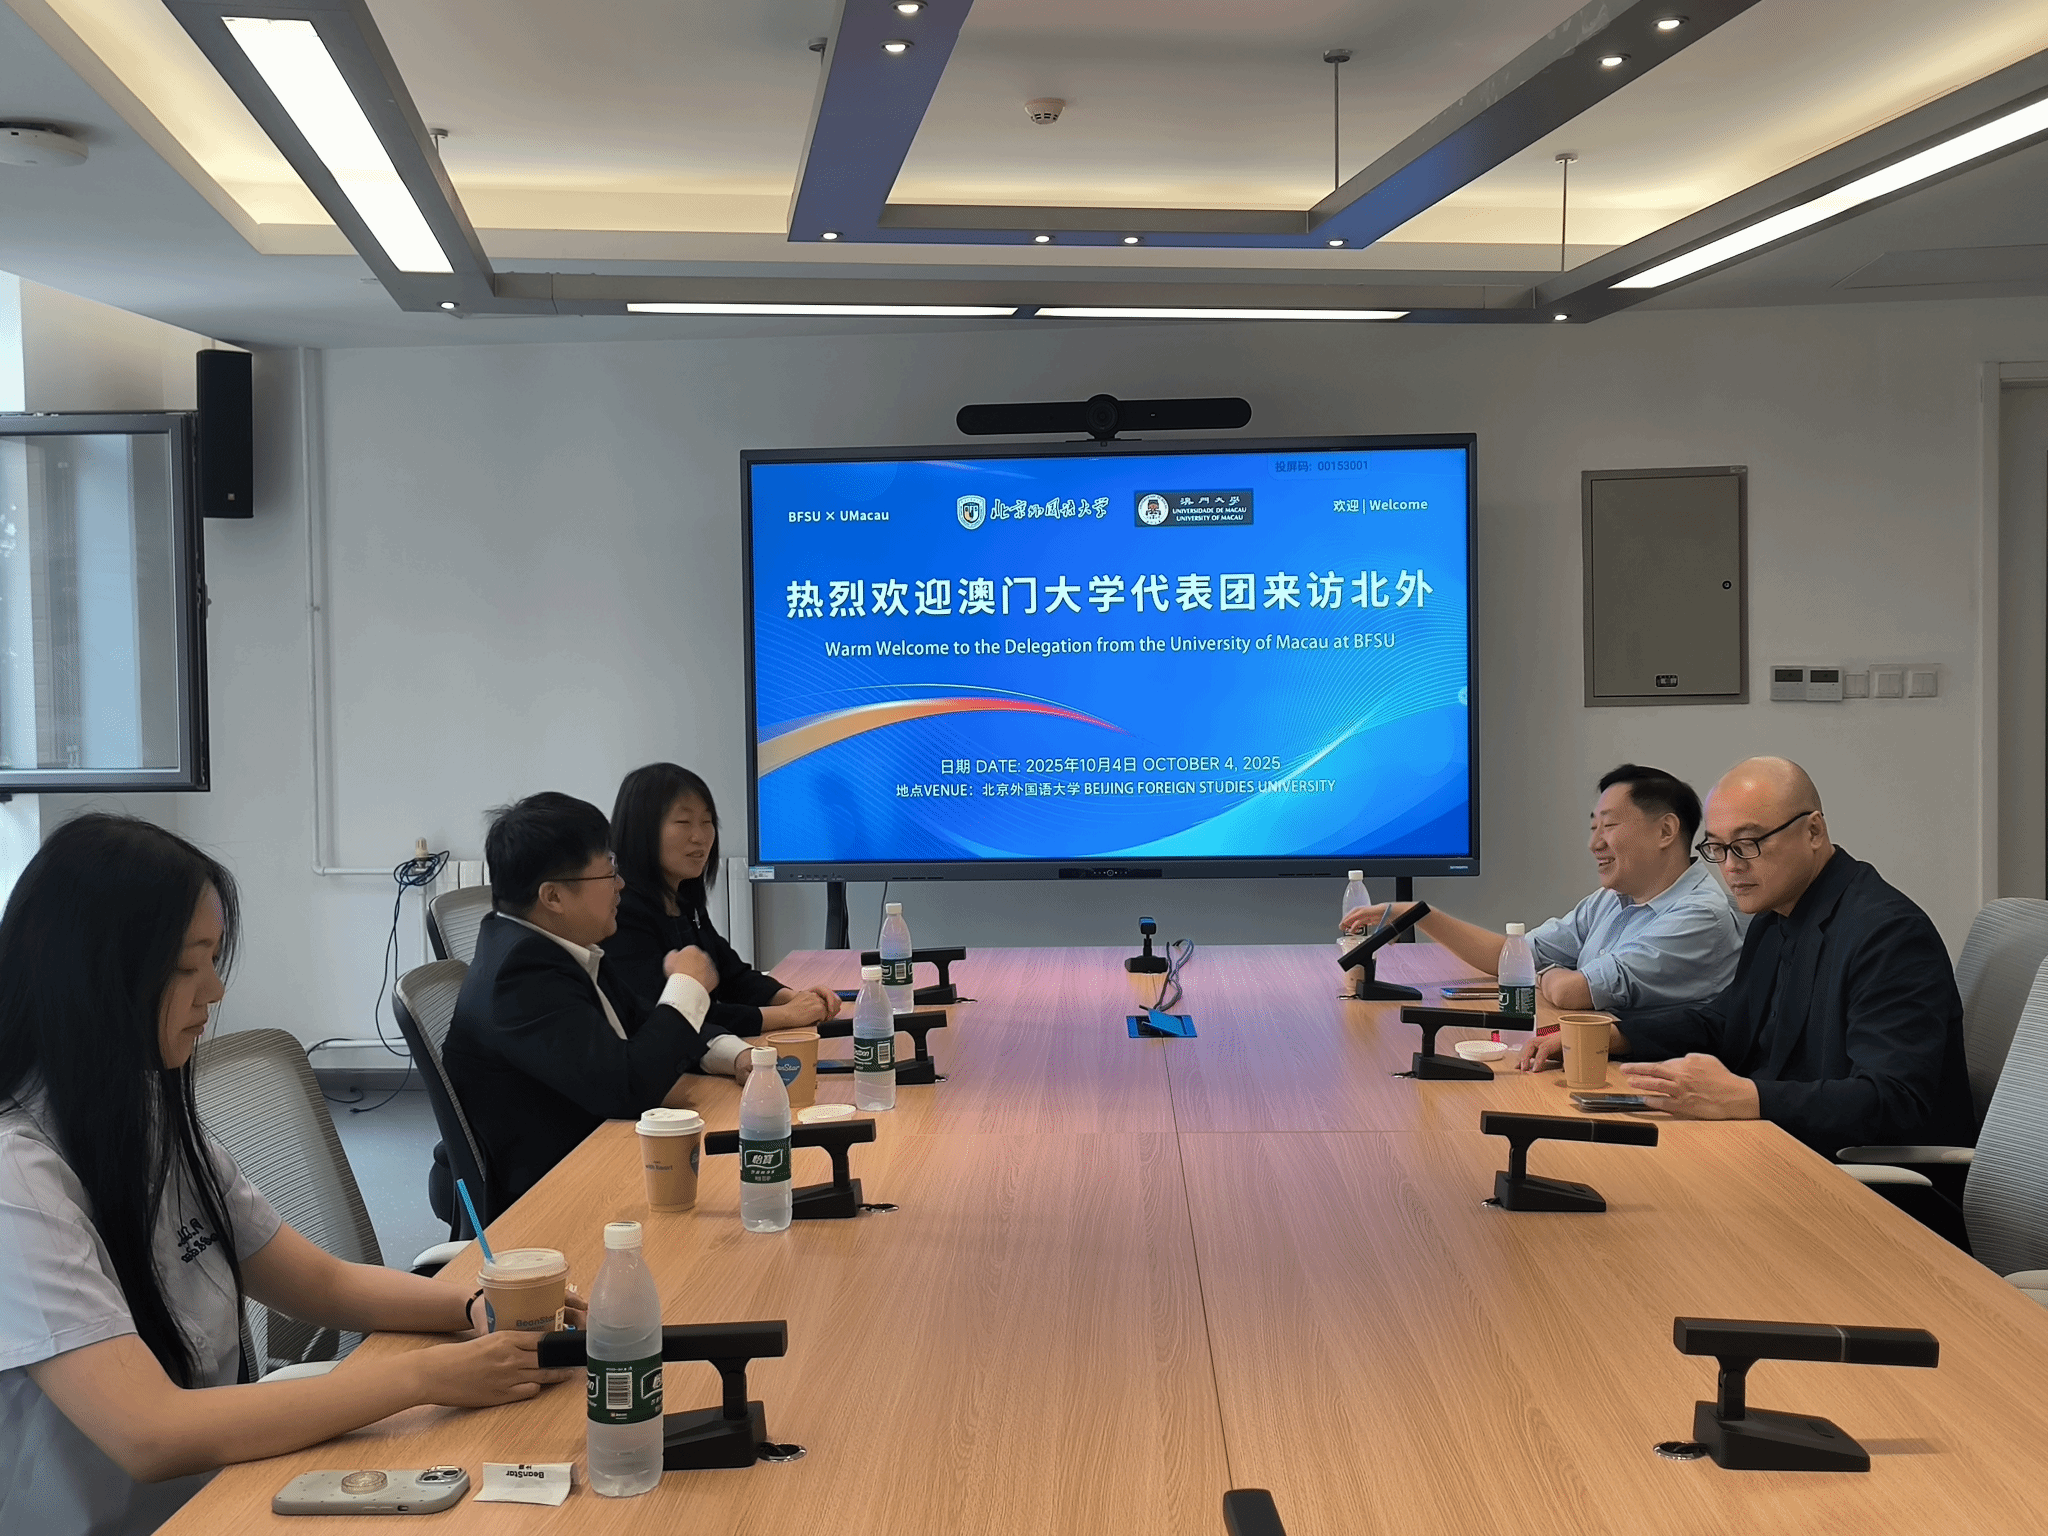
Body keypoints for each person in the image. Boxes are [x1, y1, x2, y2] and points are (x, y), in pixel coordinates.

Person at [0, 815, 579, 1536]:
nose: (215, 989)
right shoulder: (19, 1181)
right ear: (93, 976)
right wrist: (425, 1377)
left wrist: (471, 1307)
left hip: (227, 1490)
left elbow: (321, 1283)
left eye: (214, 960)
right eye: (188, 965)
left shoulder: (142, 1114)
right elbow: (151, 1432)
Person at [1518, 758, 1976, 1156]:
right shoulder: (1775, 915)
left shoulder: (1888, 934)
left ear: (1813, 831)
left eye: (1748, 843)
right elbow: (1726, 1022)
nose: (1732, 866)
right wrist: (1614, 1036)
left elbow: (1893, 1100)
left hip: (1857, 1181)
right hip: (1773, 1145)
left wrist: (1746, 1097)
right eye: (1718, 848)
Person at [444, 793, 746, 1221]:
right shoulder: (521, 975)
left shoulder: (554, 945)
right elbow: (627, 1089)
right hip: (553, 1199)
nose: (620, 885)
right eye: (608, 873)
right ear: (553, 897)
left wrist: (737, 1056)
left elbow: (641, 1021)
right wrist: (687, 986)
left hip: (597, 1153)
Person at [1342, 764, 1744, 1011]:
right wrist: (1418, 914)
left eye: (1608, 826)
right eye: (1594, 827)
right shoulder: (1610, 901)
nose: (1594, 844)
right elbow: (1510, 956)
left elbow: (1573, 993)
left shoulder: (1700, 915)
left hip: (1653, 1084)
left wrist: (1547, 973)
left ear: (1666, 831)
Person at [607, 763, 839, 1038]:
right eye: (683, 822)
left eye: (707, 821)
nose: (700, 836)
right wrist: (785, 1015)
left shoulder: (684, 902)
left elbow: (732, 976)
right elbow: (676, 1016)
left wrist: (793, 998)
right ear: (641, 830)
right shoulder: (620, 912)